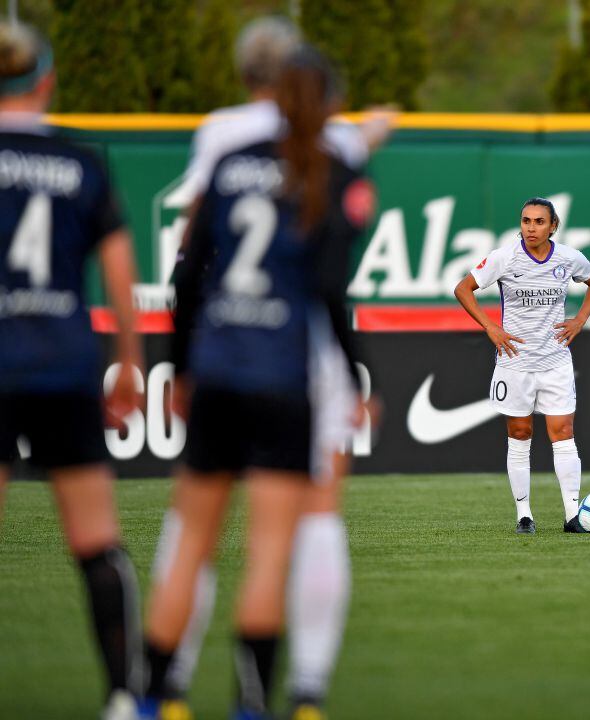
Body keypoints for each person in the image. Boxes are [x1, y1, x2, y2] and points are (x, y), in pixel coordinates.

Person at [149, 16, 385, 719]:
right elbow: (330, 287)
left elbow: (187, 271)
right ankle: (286, 695)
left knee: (191, 533)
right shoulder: (336, 155)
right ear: (329, 99)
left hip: (220, 352)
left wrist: (180, 367)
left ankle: (158, 691)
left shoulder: (224, 145)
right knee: (293, 534)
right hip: (293, 364)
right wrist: (359, 375)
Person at [0, 23, 144, 720]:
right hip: (61, 362)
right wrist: (130, 364)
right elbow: (120, 274)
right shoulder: (82, 163)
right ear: (47, 81)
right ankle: (122, 695)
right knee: (95, 541)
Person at [454, 198, 590, 534]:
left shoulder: (568, 258)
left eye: (539, 222)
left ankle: (572, 516)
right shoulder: (504, 257)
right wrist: (490, 327)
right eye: (525, 221)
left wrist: (580, 320)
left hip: (555, 361)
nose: (531, 228)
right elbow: (463, 289)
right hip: (515, 364)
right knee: (520, 434)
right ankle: (524, 515)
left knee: (563, 434)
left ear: (553, 226)